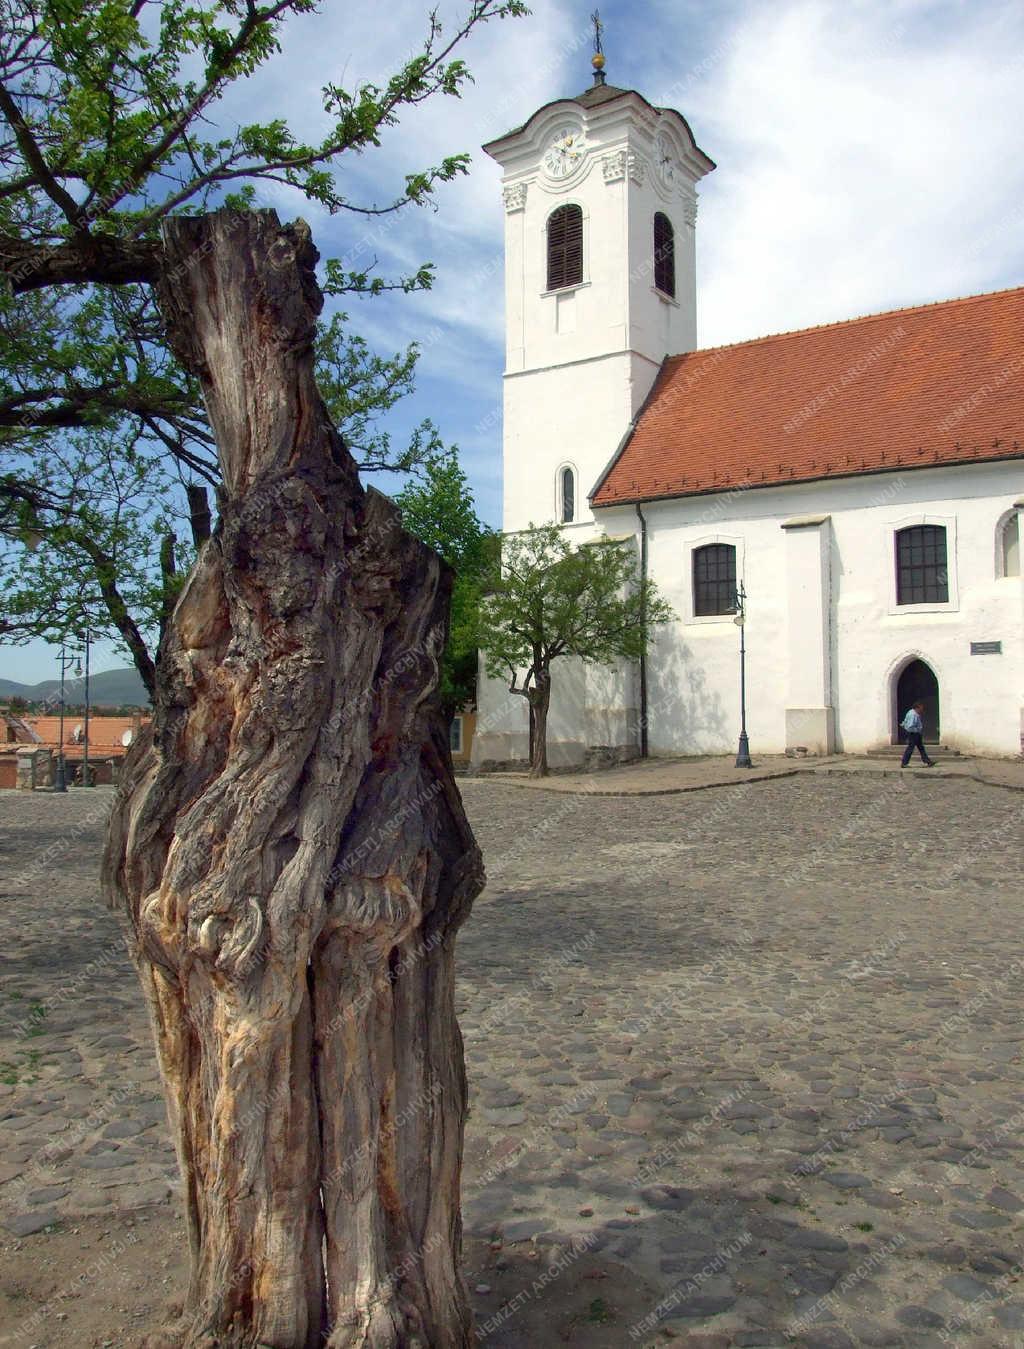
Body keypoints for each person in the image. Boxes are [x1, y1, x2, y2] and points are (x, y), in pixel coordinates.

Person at [900, 701, 935, 767]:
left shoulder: (910, 712)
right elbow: (910, 726)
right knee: (910, 748)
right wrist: (917, 730)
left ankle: (928, 761)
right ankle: (904, 763)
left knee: (921, 748)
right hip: (914, 734)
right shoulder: (914, 715)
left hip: (915, 733)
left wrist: (904, 725)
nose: (922, 709)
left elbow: (905, 722)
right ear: (917, 707)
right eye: (921, 708)